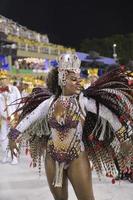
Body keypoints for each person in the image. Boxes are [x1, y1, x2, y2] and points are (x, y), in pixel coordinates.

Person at [8, 53, 133, 200]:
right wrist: (12, 138)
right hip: (52, 159)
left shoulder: (84, 101)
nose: (79, 83)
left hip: (77, 157)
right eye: (74, 80)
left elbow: (110, 116)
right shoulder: (49, 103)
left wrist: (124, 139)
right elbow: (28, 120)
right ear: (62, 80)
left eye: (79, 79)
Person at [0, 70, 21, 164]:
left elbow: (19, 102)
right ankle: (5, 155)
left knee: (14, 137)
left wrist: (18, 114)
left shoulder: (14, 89)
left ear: (8, 79)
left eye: (4, 79)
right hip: (3, 118)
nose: (2, 81)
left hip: (13, 117)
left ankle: (15, 157)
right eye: (0, 79)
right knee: (3, 137)